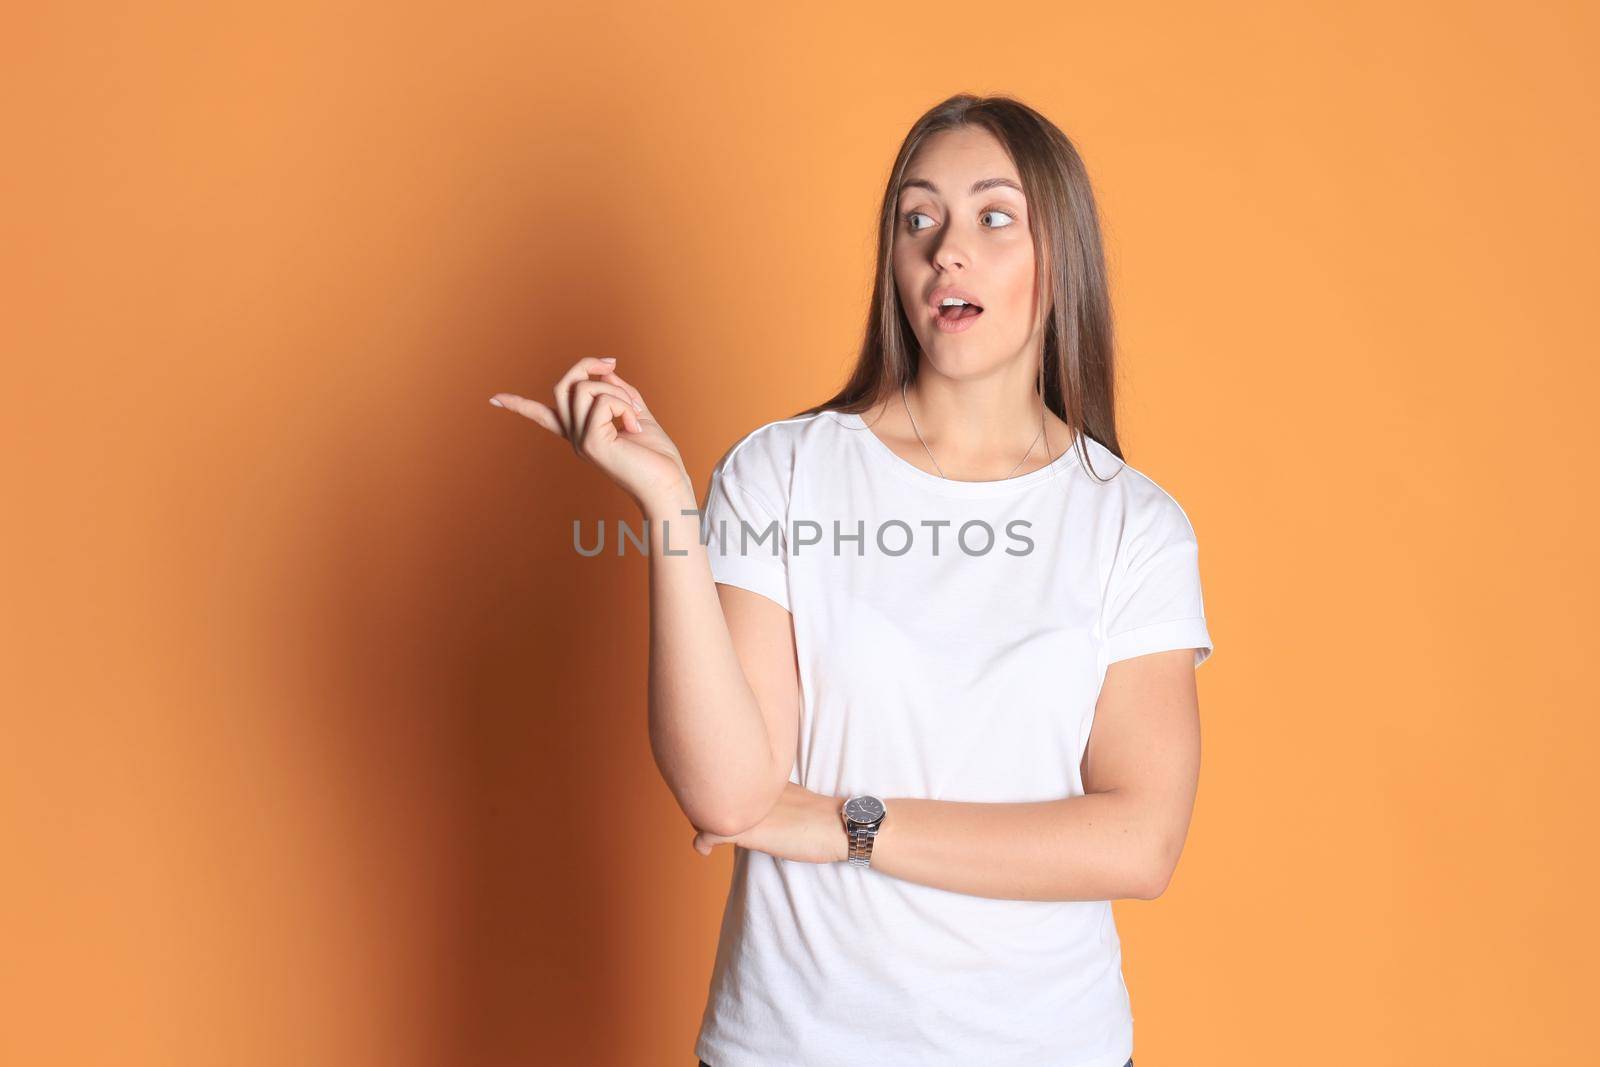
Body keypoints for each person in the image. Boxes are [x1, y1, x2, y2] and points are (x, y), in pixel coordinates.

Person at [491, 93, 1207, 1067]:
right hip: (790, 1044)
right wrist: (667, 509)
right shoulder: (781, 471)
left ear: (1060, 255)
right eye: (919, 218)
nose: (945, 249)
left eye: (992, 217)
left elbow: (1135, 842)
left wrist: (843, 824)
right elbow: (732, 792)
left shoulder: (1133, 524)